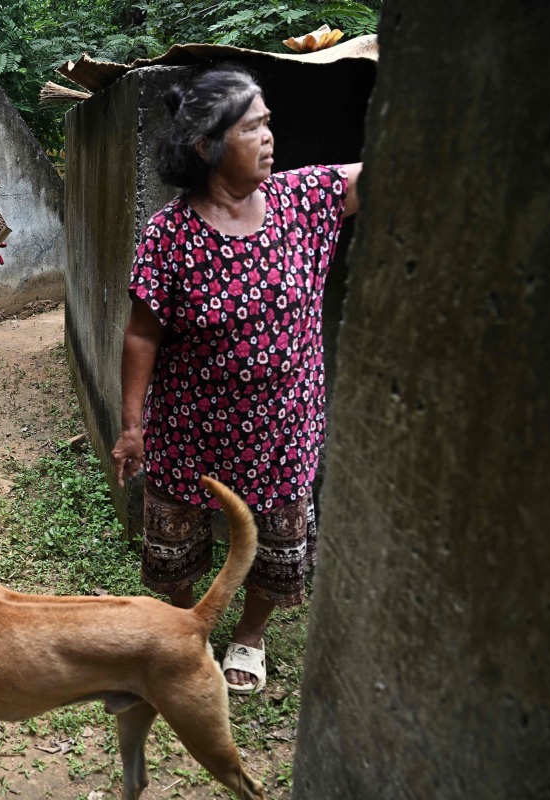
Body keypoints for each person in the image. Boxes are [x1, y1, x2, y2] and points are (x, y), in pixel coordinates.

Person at [110, 65, 362, 694]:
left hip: (284, 426)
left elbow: (387, 170)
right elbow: (142, 333)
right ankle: (185, 628)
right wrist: (133, 424)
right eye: (253, 126)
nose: (270, 136)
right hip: (189, 428)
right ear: (208, 146)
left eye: (268, 121)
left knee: (277, 544)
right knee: (174, 546)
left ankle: (249, 637)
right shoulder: (168, 235)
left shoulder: (304, 201)